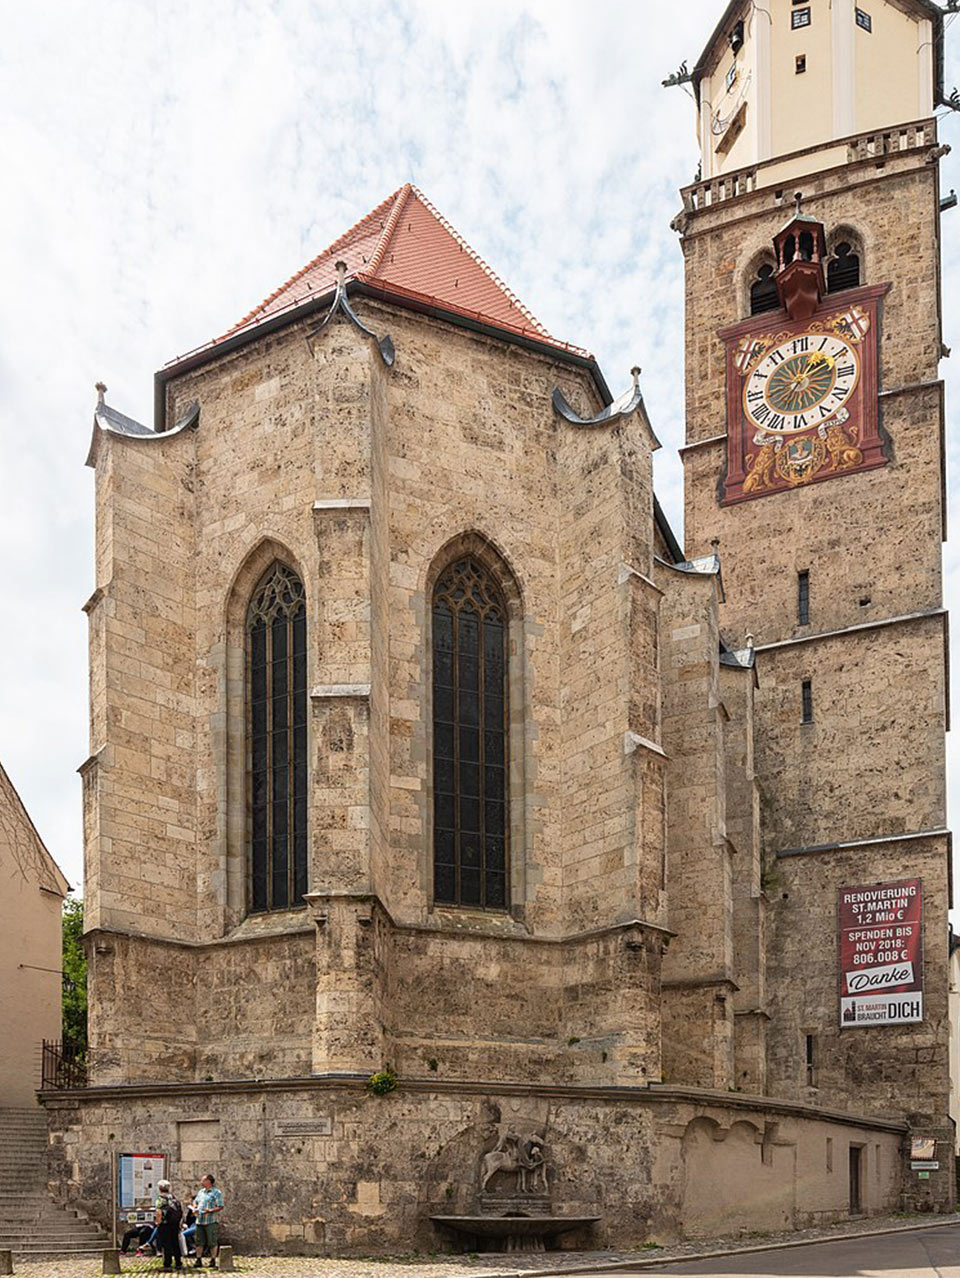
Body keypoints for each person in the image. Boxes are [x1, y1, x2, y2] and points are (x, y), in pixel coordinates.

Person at [191, 1174, 225, 1269]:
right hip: (200, 1221)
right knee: (199, 1241)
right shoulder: (201, 1192)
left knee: (212, 1241)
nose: (201, 1182)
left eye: (203, 1180)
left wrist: (210, 1210)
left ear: (208, 1181)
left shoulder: (216, 1193)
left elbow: (220, 1206)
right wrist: (194, 1207)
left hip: (211, 1221)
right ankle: (198, 1259)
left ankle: (213, 1259)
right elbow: (195, 1202)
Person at [154, 1178, 184, 1272]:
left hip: (165, 1224)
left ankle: (167, 1264)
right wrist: (180, 1222)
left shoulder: (160, 1199)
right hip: (174, 1224)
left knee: (166, 1244)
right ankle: (178, 1262)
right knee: (175, 1243)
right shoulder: (173, 1198)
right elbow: (180, 1210)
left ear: (159, 1188)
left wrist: (157, 1222)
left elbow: (159, 1212)